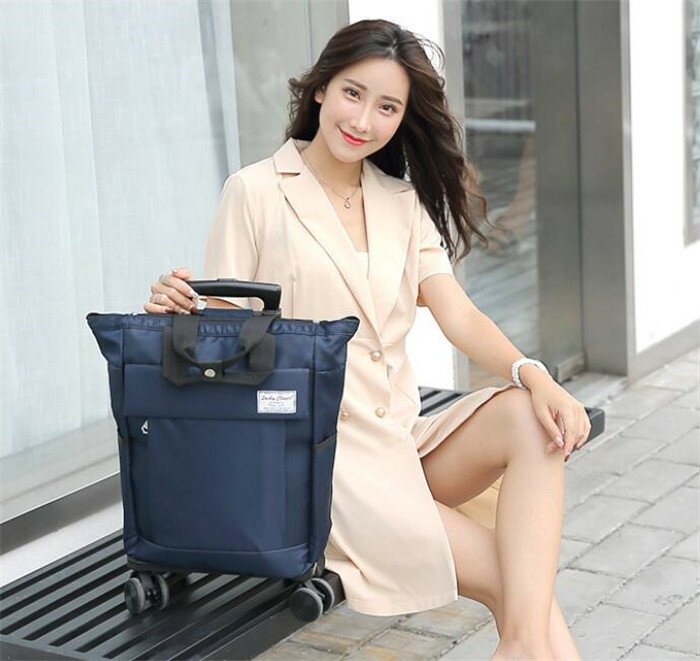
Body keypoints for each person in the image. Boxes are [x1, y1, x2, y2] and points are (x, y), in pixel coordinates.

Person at [143, 19, 590, 661]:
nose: (363, 120)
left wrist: (534, 373)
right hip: (320, 458)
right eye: (353, 93)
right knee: (520, 583)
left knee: (533, 419)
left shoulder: (401, 201)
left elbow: (459, 315)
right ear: (321, 88)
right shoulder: (256, 192)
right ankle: (520, 646)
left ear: (403, 119)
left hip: (400, 438)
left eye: (387, 107)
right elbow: (222, 333)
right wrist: (178, 308)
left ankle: (519, 648)